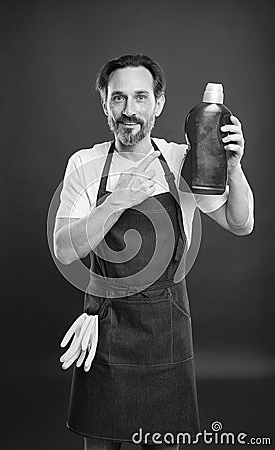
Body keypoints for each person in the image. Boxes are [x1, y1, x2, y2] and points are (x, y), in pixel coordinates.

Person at [53, 54, 254, 450]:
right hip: (106, 328)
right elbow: (63, 249)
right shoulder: (86, 163)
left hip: (167, 329)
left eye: (140, 97)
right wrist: (114, 203)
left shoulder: (184, 159)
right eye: (118, 98)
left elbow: (240, 223)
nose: (129, 111)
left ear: (158, 104)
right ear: (105, 104)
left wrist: (233, 168)